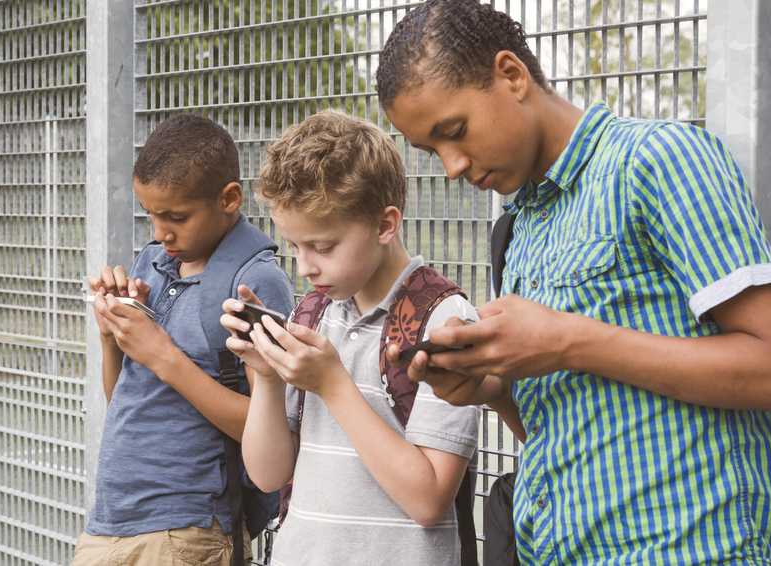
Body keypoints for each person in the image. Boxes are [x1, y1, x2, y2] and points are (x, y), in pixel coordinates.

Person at [374, 1, 771, 565]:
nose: (451, 166)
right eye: (430, 150)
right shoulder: (522, 229)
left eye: (454, 131)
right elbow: (567, 429)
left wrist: (568, 340)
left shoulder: (660, 161)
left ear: (511, 76)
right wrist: (490, 388)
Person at [219, 109, 497, 566]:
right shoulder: (312, 314)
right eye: (294, 246)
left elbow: (428, 500)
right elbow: (269, 476)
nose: (305, 266)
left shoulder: (443, 319)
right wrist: (266, 377)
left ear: (386, 225)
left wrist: (333, 385)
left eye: (323, 247)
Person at [72, 114, 294, 566]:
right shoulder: (152, 262)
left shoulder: (255, 282)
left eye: (176, 216)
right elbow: (126, 398)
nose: (160, 233)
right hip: (108, 521)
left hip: (189, 529)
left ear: (229, 198)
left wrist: (164, 356)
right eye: (151, 215)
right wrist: (112, 336)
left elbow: (273, 428)